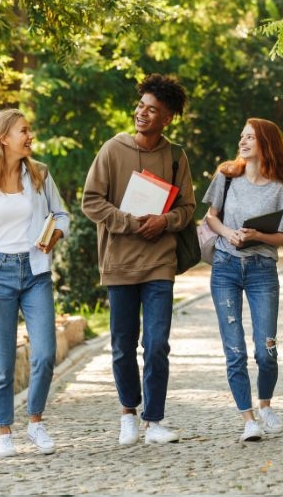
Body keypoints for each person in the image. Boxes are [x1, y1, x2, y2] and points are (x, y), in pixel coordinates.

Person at [81, 73, 193, 445]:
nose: (142, 113)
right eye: (140, 106)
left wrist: (165, 220)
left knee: (157, 343)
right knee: (122, 344)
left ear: (167, 118)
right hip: (120, 263)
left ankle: (154, 421)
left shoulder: (176, 156)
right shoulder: (112, 150)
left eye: (152, 110)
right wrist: (129, 223)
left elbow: (188, 208)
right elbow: (91, 201)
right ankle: (128, 411)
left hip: (160, 262)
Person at [0, 108, 70, 457]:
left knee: (46, 353)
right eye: (24, 130)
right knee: (2, 362)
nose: (30, 135)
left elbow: (62, 214)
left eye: (29, 130)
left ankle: (35, 422)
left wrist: (53, 237)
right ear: (4, 137)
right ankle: (5, 431)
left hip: (35, 273)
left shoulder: (39, 174)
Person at [202, 118, 283, 442]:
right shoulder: (226, 176)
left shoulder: (281, 189)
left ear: (266, 143)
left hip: (262, 270)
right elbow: (210, 217)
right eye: (241, 136)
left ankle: (266, 405)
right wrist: (229, 233)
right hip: (225, 267)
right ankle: (248, 418)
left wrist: (257, 234)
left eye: (250, 137)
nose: (242, 142)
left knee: (266, 349)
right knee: (234, 350)